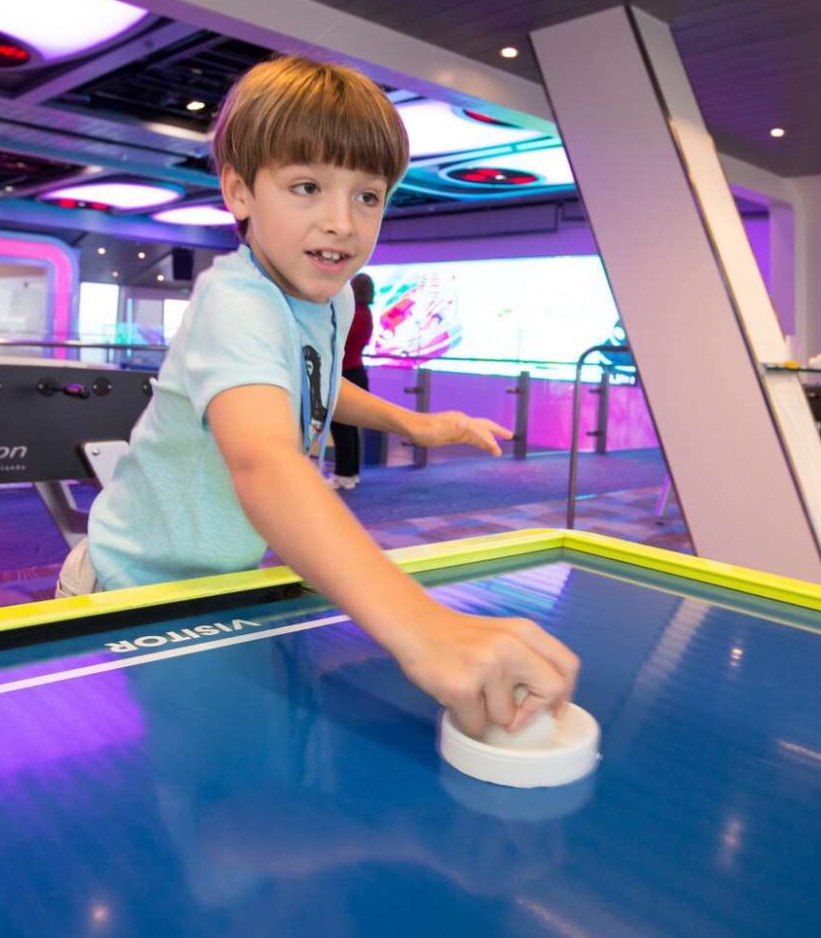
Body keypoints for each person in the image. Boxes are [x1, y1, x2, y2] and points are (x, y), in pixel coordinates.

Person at [58, 56, 578, 736]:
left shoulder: (326, 300)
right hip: (131, 591)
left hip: (218, 583)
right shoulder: (236, 300)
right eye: (307, 186)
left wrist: (413, 423)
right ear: (240, 192)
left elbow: (314, 391)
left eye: (368, 196)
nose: (342, 221)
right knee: (196, 804)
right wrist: (426, 630)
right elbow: (264, 460)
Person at [328, 272, 374, 490]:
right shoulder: (367, 314)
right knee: (351, 428)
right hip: (358, 372)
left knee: (340, 427)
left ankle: (343, 474)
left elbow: (339, 341)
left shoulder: (353, 314)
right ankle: (351, 473)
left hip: (345, 373)